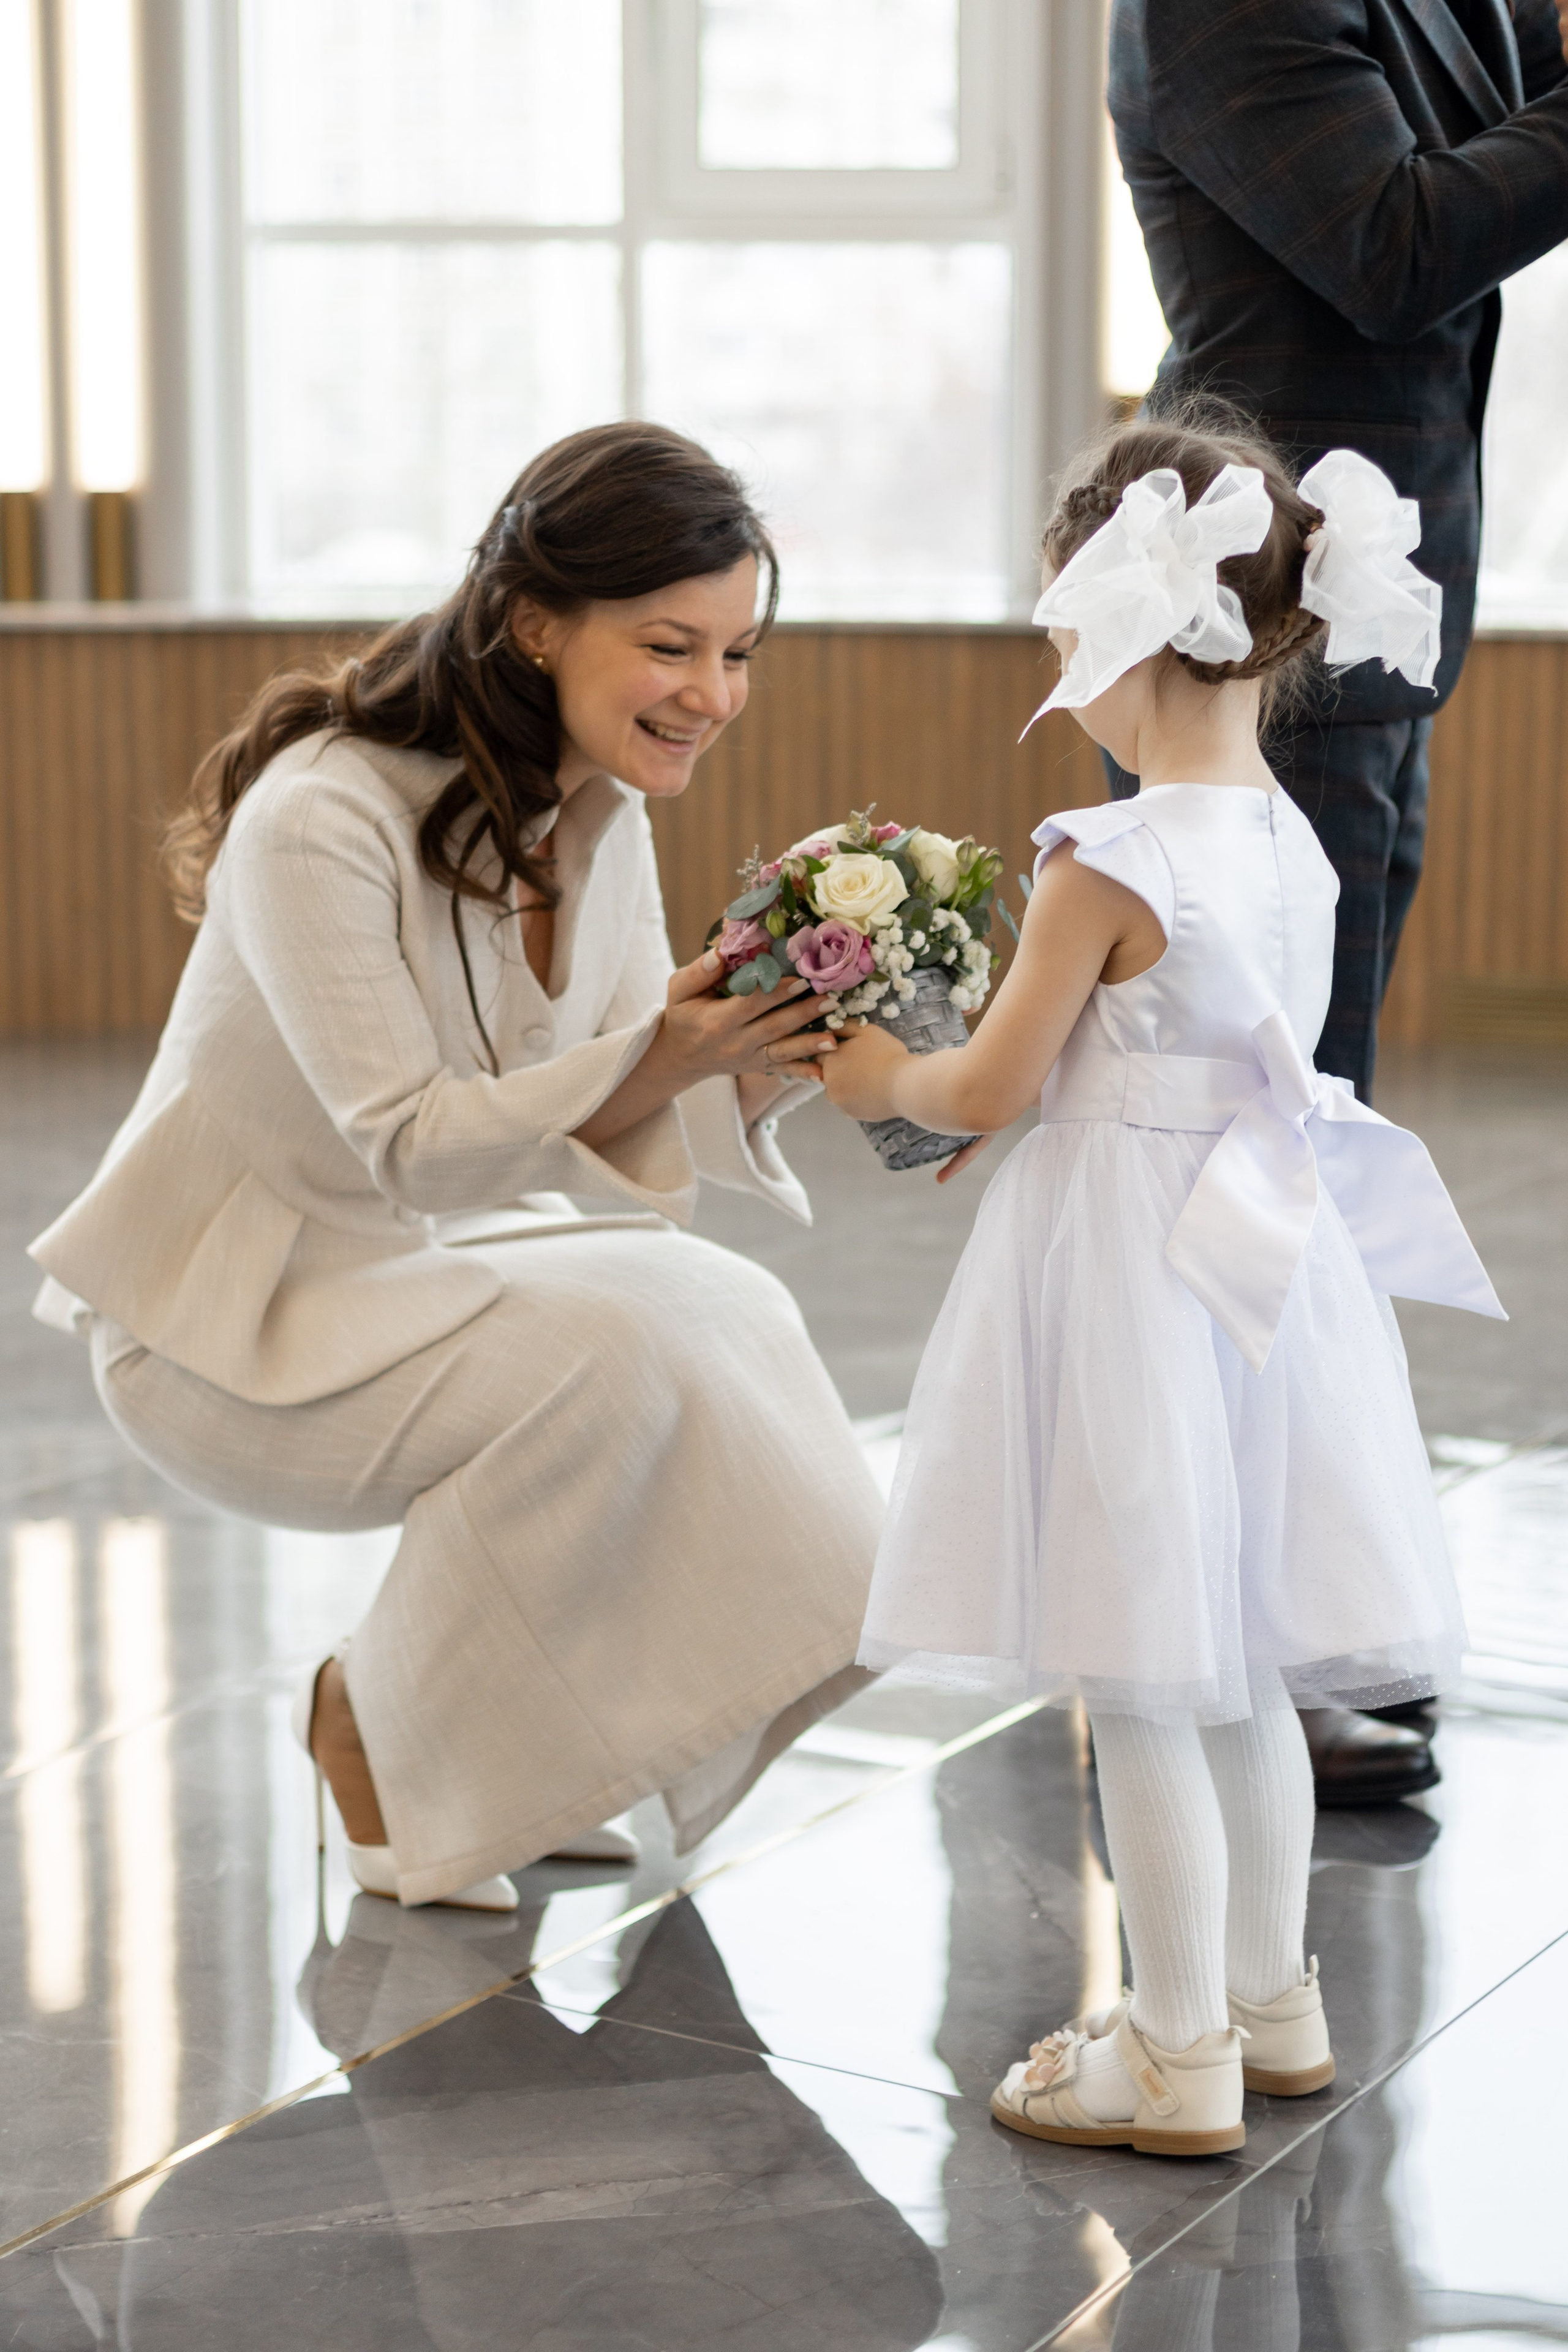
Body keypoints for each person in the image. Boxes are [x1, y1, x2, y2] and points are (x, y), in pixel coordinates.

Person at [29, 422, 884, 1913]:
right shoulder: (322, 818)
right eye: (672, 645)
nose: (712, 695)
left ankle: (512, 1756)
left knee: (720, 1305)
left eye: (738, 654)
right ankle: (371, 1724)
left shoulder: (600, 817)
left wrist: (757, 1052)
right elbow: (414, 1144)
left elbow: (623, 1120)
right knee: (612, 1358)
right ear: (533, 622)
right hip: (219, 1328)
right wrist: (661, 1053)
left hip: (387, 1275)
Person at [817, 411, 1502, 2155]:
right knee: (1250, 1656)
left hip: (1126, 1273)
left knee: (1139, 1669)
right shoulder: (1296, 841)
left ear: (1129, 631)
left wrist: (869, 1083)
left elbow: (985, 1089)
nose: (1063, 669)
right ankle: (1274, 2010)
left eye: (1065, 632)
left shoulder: (1100, 860)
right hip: (1263, 1274)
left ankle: (1171, 2045)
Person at [1106, 0, 1568, 1804]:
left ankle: (1282, 1619)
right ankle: (1192, 1649)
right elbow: (1393, 249)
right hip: (1252, 632)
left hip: (1370, 623)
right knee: (1237, 1146)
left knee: (1311, 1131)